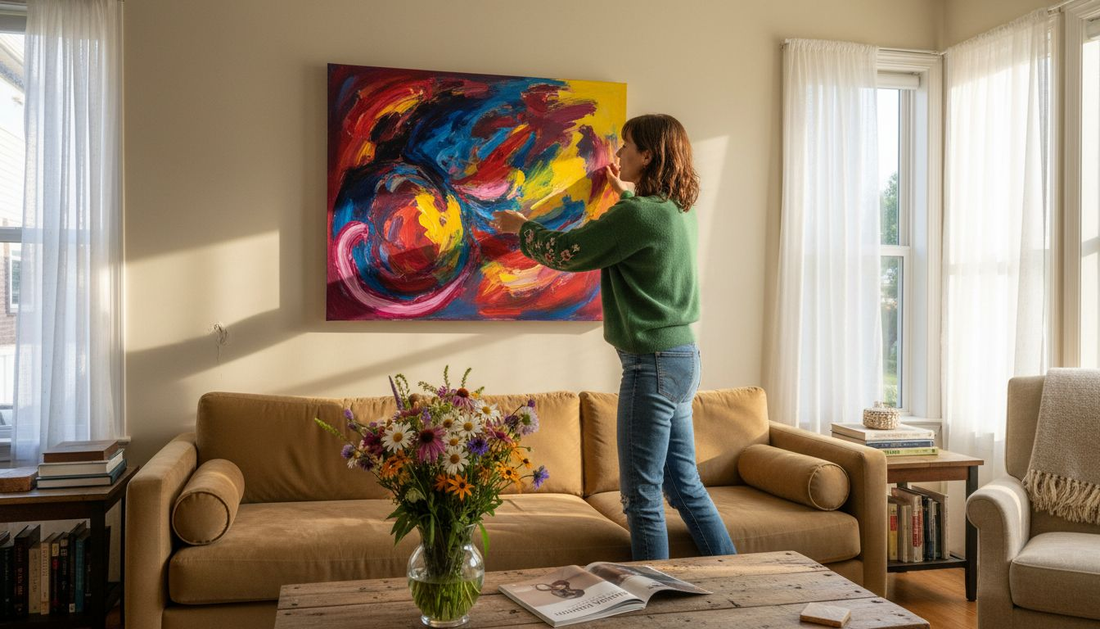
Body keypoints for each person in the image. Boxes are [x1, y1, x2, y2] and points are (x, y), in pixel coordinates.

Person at [493, 114, 736, 561]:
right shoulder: (678, 212)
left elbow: (570, 253)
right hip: (682, 358)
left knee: (640, 496)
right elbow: (639, 233)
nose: (617, 153)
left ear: (648, 155)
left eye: (625, 146)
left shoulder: (637, 215)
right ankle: (733, 577)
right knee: (684, 486)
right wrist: (624, 194)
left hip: (651, 363)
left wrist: (520, 228)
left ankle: (649, 600)